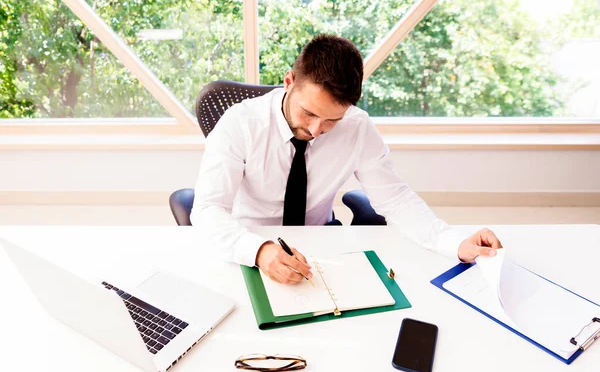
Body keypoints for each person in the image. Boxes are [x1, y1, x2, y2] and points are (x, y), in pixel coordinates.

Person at [191, 34, 502, 284]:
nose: (315, 130)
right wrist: (257, 251)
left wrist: (454, 242)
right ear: (288, 82)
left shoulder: (357, 125)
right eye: (309, 112)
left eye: (331, 121)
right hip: (246, 245)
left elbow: (394, 199)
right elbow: (208, 209)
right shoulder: (240, 123)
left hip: (322, 246)